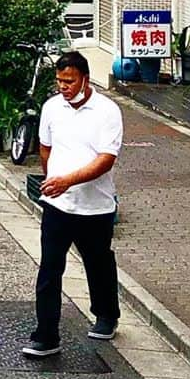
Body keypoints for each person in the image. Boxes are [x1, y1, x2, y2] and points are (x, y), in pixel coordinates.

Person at [23, 51, 123, 360]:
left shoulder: (107, 111)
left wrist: (69, 179)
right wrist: (54, 178)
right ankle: (46, 335)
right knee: (50, 267)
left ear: (84, 79)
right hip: (57, 204)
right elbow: (45, 146)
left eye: (69, 81)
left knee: (98, 262)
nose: (64, 87)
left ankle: (107, 314)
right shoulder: (52, 107)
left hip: (95, 205)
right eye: (59, 81)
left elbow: (106, 160)